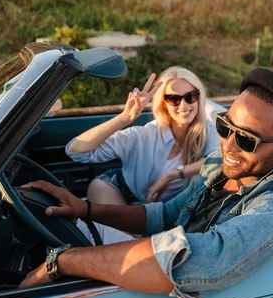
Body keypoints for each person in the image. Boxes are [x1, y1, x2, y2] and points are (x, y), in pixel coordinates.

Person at [19, 68, 273, 298]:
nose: (229, 145)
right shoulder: (216, 165)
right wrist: (87, 209)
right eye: (225, 127)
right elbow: (166, 215)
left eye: (247, 140)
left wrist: (64, 261)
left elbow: (205, 259)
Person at [66, 66, 219, 205]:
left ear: (199, 98)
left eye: (190, 96)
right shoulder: (143, 135)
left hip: (164, 208)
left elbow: (220, 160)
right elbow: (77, 151)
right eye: (174, 99)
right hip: (119, 191)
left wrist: (172, 174)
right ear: (163, 104)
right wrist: (125, 117)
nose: (184, 105)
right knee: (127, 235)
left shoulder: (207, 129)